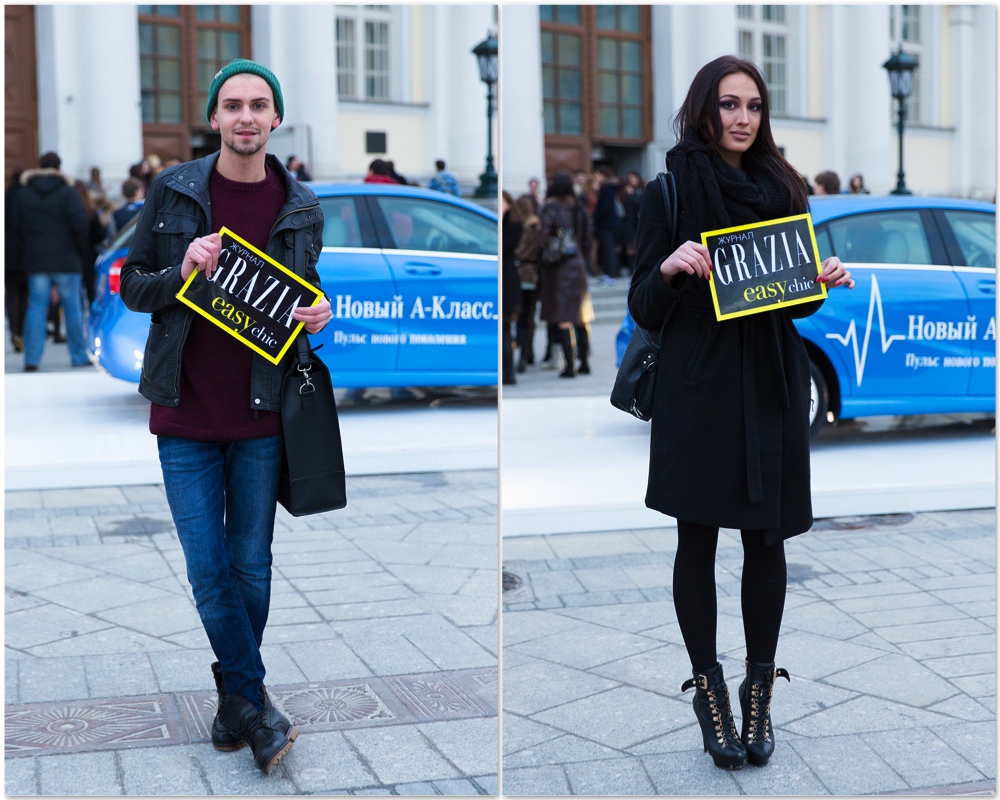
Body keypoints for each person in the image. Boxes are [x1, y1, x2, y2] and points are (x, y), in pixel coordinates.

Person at [628, 55, 854, 771]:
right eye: (729, 104)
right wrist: (670, 268)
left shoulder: (783, 188)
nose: (743, 118)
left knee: (767, 539)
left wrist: (822, 280)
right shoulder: (668, 191)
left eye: (753, 106)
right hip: (698, 384)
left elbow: (792, 301)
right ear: (705, 109)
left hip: (770, 382)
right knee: (696, 540)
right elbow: (643, 305)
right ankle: (711, 693)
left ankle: (759, 692)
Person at [119, 58, 332, 775]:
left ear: (276, 118)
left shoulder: (301, 205)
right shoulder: (175, 189)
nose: (246, 116)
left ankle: (234, 702)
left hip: (262, 416)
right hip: (184, 411)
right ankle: (257, 706)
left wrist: (319, 314)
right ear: (214, 117)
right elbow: (134, 289)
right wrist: (180, 271)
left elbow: (303, 296)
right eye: (232, 105)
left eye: (258, 105)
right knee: (209, 570)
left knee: (252, 568)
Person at [9, 152, 91, 371]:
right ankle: (78, 356)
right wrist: (79, 252)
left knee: (36, 307)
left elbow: (15, 227)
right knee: (72, 307)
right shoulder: (67, 192)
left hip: (36, 259)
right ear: (59, 167)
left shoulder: (25, 193)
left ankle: (32, 359)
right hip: (67, 259)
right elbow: (80, 224)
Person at [538, 171, 591, 378]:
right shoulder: (579, 206)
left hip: (558, 268)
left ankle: (569, 365)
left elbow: (542, 238)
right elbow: (587, 237)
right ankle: (584, 362)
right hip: (578, 264)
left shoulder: (549, 208)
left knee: (562, 317)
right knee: (580, 315)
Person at [513, 195, 542, 372]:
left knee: (524, 315)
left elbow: (522, 250)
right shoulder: (532, 225)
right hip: (530, 274)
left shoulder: (530, 226)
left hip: (526, 274)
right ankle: (527, 352)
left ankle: (525, 354)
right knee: (527, 315)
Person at [5, 171, 28, 353]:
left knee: (12, 295)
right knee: (25, 296)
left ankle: (14, 332)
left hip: (7, 254)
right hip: (26, 253)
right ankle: (22, 334)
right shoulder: (26, 197)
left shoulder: (5, 197)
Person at [501, 190, 523, 385]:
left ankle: (508, 372)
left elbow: (505, 247)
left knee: (505, 328)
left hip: (507, 280)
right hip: (505, 278)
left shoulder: (513, 225)